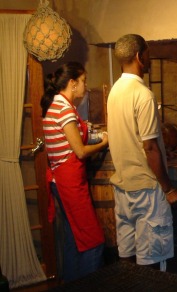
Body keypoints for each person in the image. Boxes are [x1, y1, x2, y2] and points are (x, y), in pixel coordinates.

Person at [107, 34, 177, 271]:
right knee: (151, 258)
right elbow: (149, 146)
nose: (150, 59)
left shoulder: (115, 91)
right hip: (147, 191)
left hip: (122, 187)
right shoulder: (144, 95)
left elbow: (130, 137)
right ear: (140, 56)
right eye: (148, 54)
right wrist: (168, 188)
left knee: (127, 256)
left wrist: (163, 152)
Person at [41, 62, 109, 282]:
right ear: (72, 83)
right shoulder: (64, 109)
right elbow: (79, 151)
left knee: (74, 239)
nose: (85, 86)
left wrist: (95, 136)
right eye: (83, 81)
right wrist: (104, 142)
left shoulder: (57, 105)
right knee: (93, 241)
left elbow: (74, 139)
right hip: (68, 182)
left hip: (61, 180)